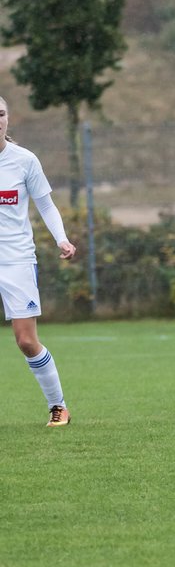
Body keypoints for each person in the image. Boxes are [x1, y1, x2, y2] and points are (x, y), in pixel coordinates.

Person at [0, 95, 77, 427]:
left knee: (26, 340)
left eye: (0, 113)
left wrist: (61, 238)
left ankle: (58, 406)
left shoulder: (24, 160)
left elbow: (45, 205)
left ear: (7, 118)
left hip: (16, 258)